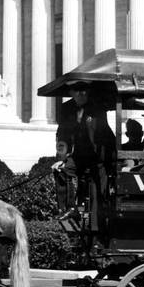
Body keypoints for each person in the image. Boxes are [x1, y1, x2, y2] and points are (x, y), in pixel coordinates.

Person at [53, 80, 116, 221]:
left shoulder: (97, 104)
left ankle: (99, 225)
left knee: (99, 193)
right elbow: (62, 136)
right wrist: (61, 159)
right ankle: (69, 209)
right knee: (62, 170)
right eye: (77, 91)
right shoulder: (67, 108)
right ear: (71, 93)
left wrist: (134, 100)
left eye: (84, 91)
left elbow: (116, 99)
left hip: (100, 156)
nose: (81, 94)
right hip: (79, 155)